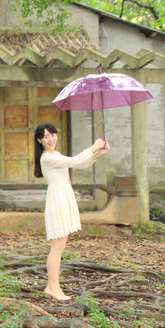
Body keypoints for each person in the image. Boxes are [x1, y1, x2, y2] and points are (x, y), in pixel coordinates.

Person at [34, 123, 110, 301]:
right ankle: (52, 287)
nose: (51, 139)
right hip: (58, 199)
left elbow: (80, 164)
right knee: (57, 247)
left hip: (64, 197)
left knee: (60, 247)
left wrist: (98, 153)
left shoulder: (56, 155)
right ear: (39, 140)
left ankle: (54, 286)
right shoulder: (47, 158)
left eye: (53, 135)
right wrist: (94, 146)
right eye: (46, 137)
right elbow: (75, 160)